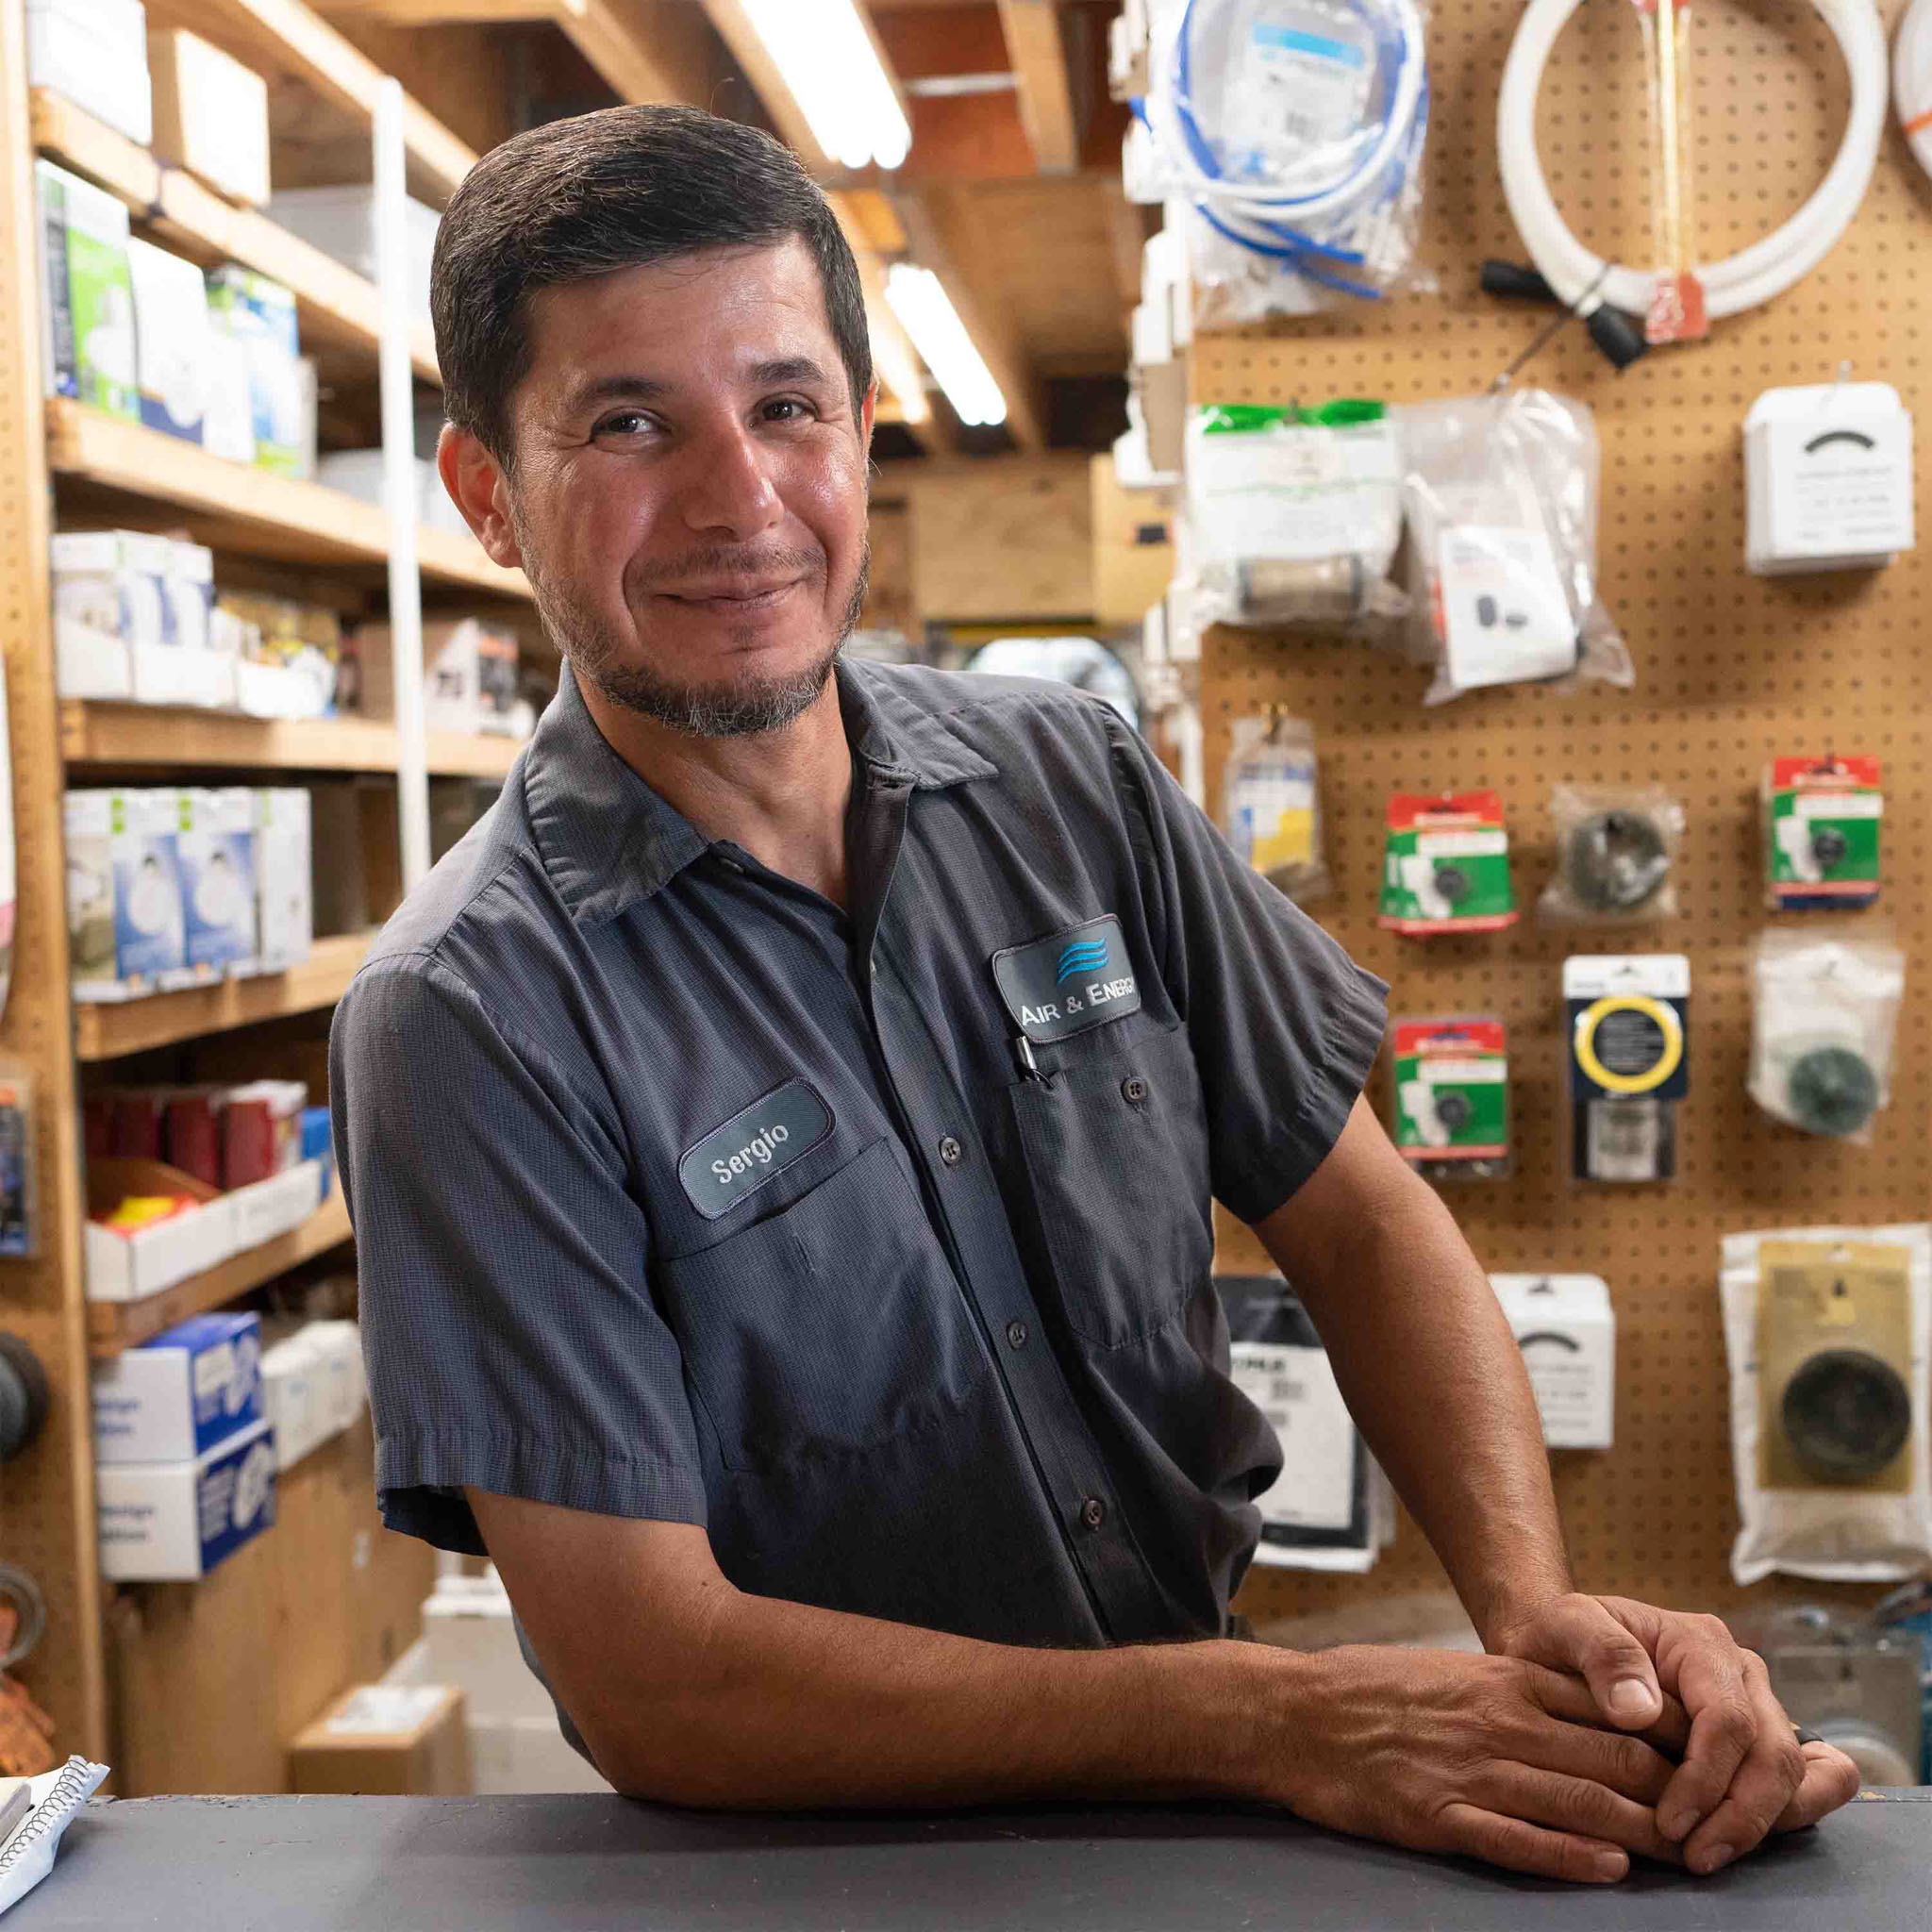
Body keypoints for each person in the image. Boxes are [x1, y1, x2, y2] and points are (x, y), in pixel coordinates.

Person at [329, 105, 1857, 1884]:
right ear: (488, 496)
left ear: (860, 426)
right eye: (628, 424)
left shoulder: (1077, 783)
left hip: (1206, 1804)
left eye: (786, 405)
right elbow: (656, 1677)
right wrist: (1280, 1719)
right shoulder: (468, 1015)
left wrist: (1535, 1620)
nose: (741, 501)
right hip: (813, 1872)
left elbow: (1362, 1220)